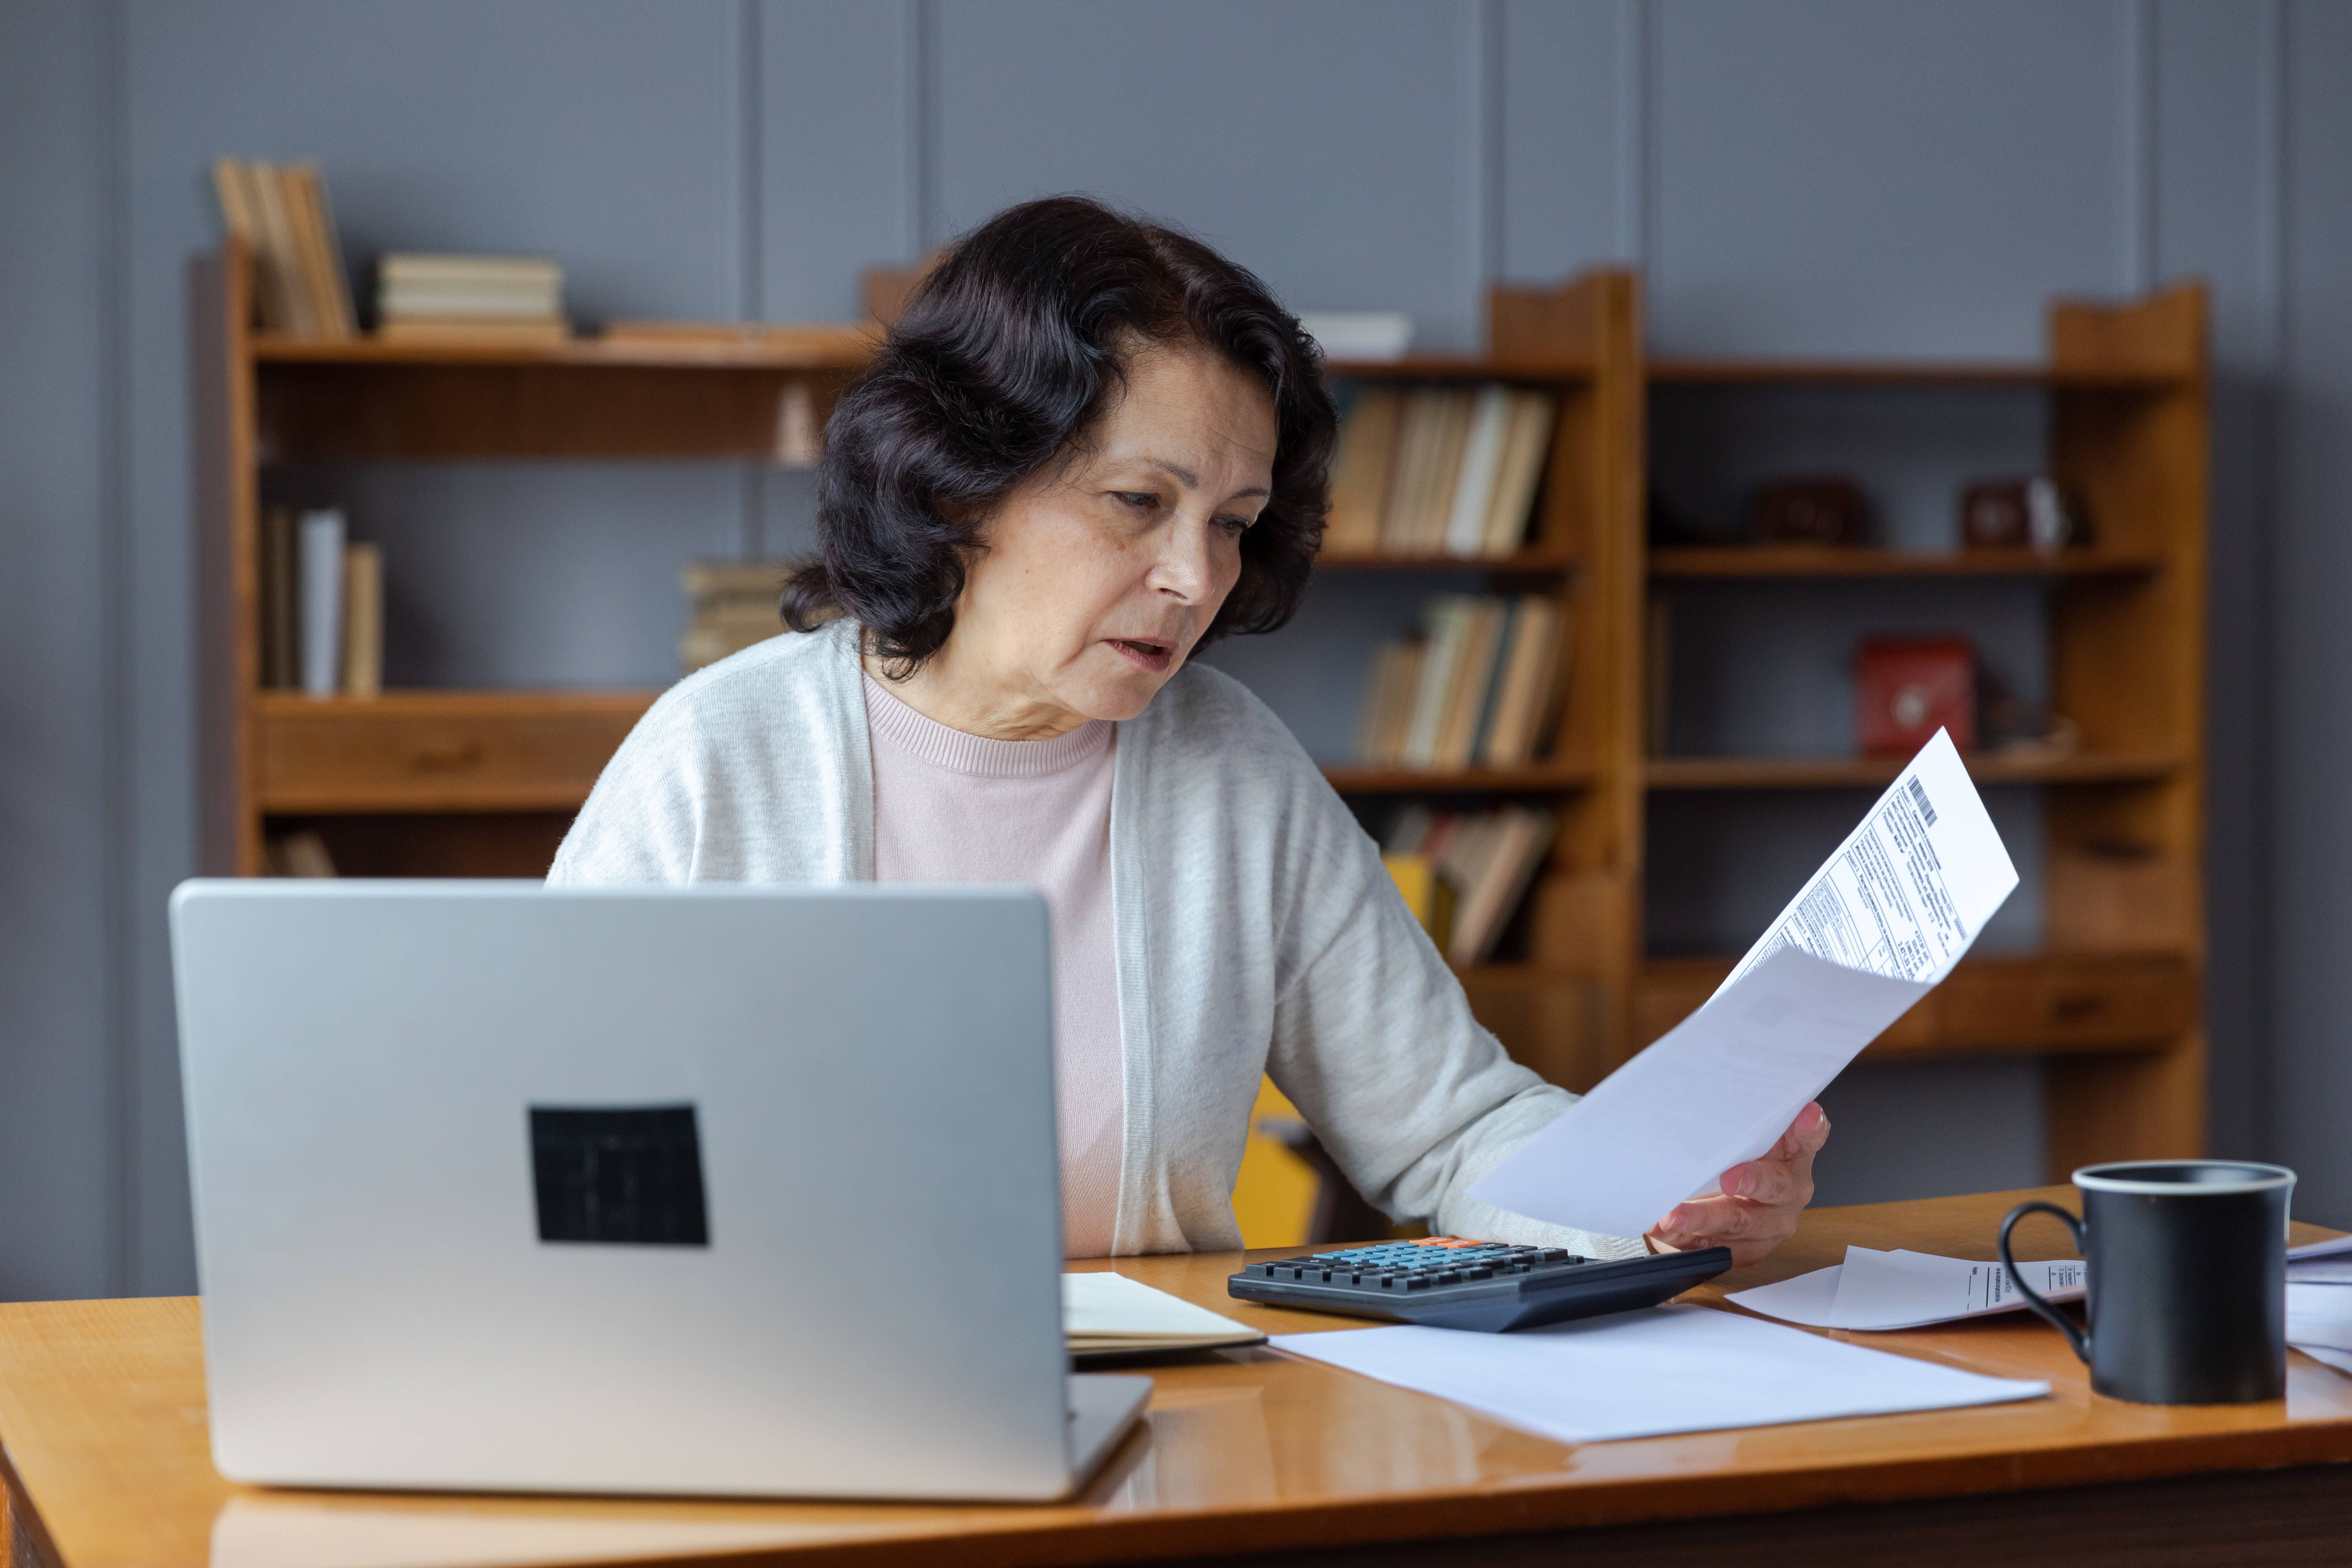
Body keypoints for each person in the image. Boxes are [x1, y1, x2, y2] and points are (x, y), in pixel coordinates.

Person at [550, 196, 1828, 1263]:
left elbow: (1449, 1130)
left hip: (1173, 1413)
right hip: (797, 1410)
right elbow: (555, 1165)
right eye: (1135, 501)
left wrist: (1658, 1193)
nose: (1193, 577)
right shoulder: (718, 756)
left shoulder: (1230, 764)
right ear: (958, 485)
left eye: (1230, 523)